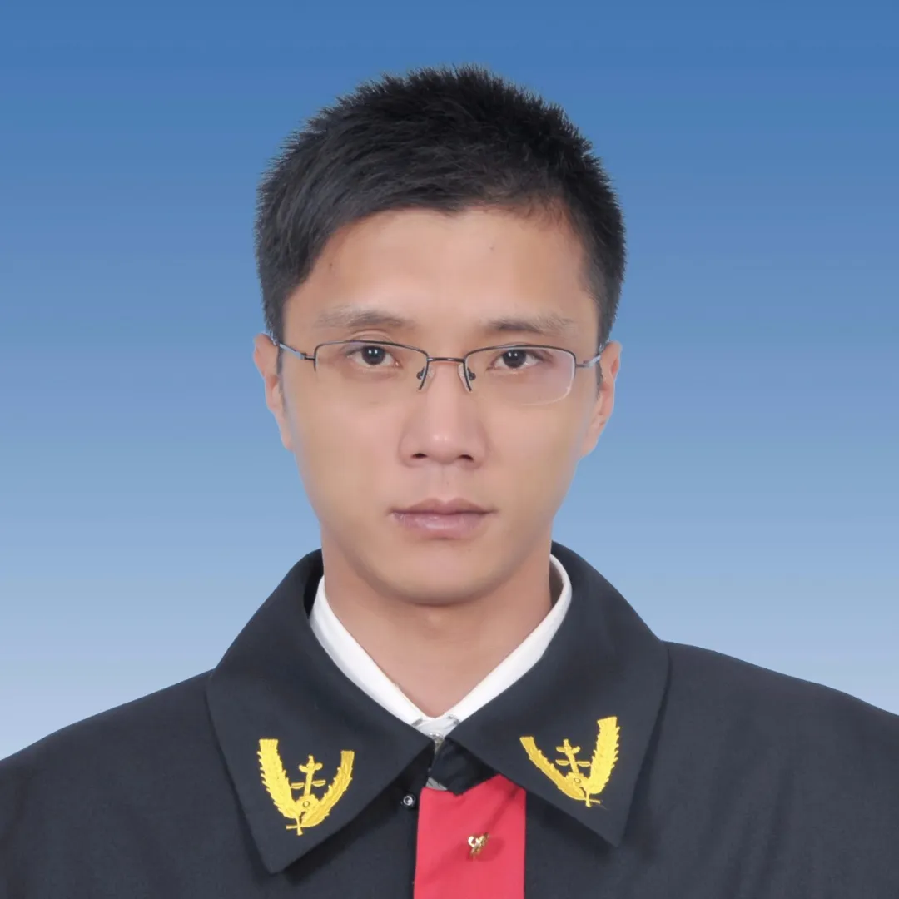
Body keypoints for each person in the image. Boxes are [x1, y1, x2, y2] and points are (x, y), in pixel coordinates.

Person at [1, 64, 897, 899]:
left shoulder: (855, 795)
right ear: (276, 385)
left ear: (600, 393)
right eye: (372, 354)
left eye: (514, 357)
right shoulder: (47, 828)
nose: (442, 437)